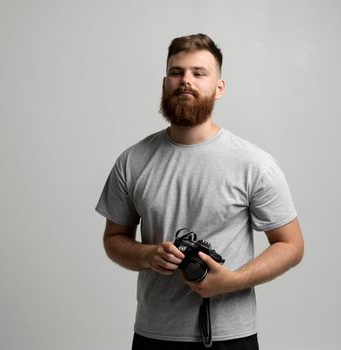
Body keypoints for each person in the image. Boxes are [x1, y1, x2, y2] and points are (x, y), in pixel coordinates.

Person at [95, 33, 304, 350]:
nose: (185, 81)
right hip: (154, 334)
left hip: (230, 337)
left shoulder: (254, 163)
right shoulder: (133, 160)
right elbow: (113, 240)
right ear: (165, 83)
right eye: (177, 72)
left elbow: (291, 245)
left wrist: (232, 281)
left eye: (198, 73)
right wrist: (150, 255)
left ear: (219, 88)